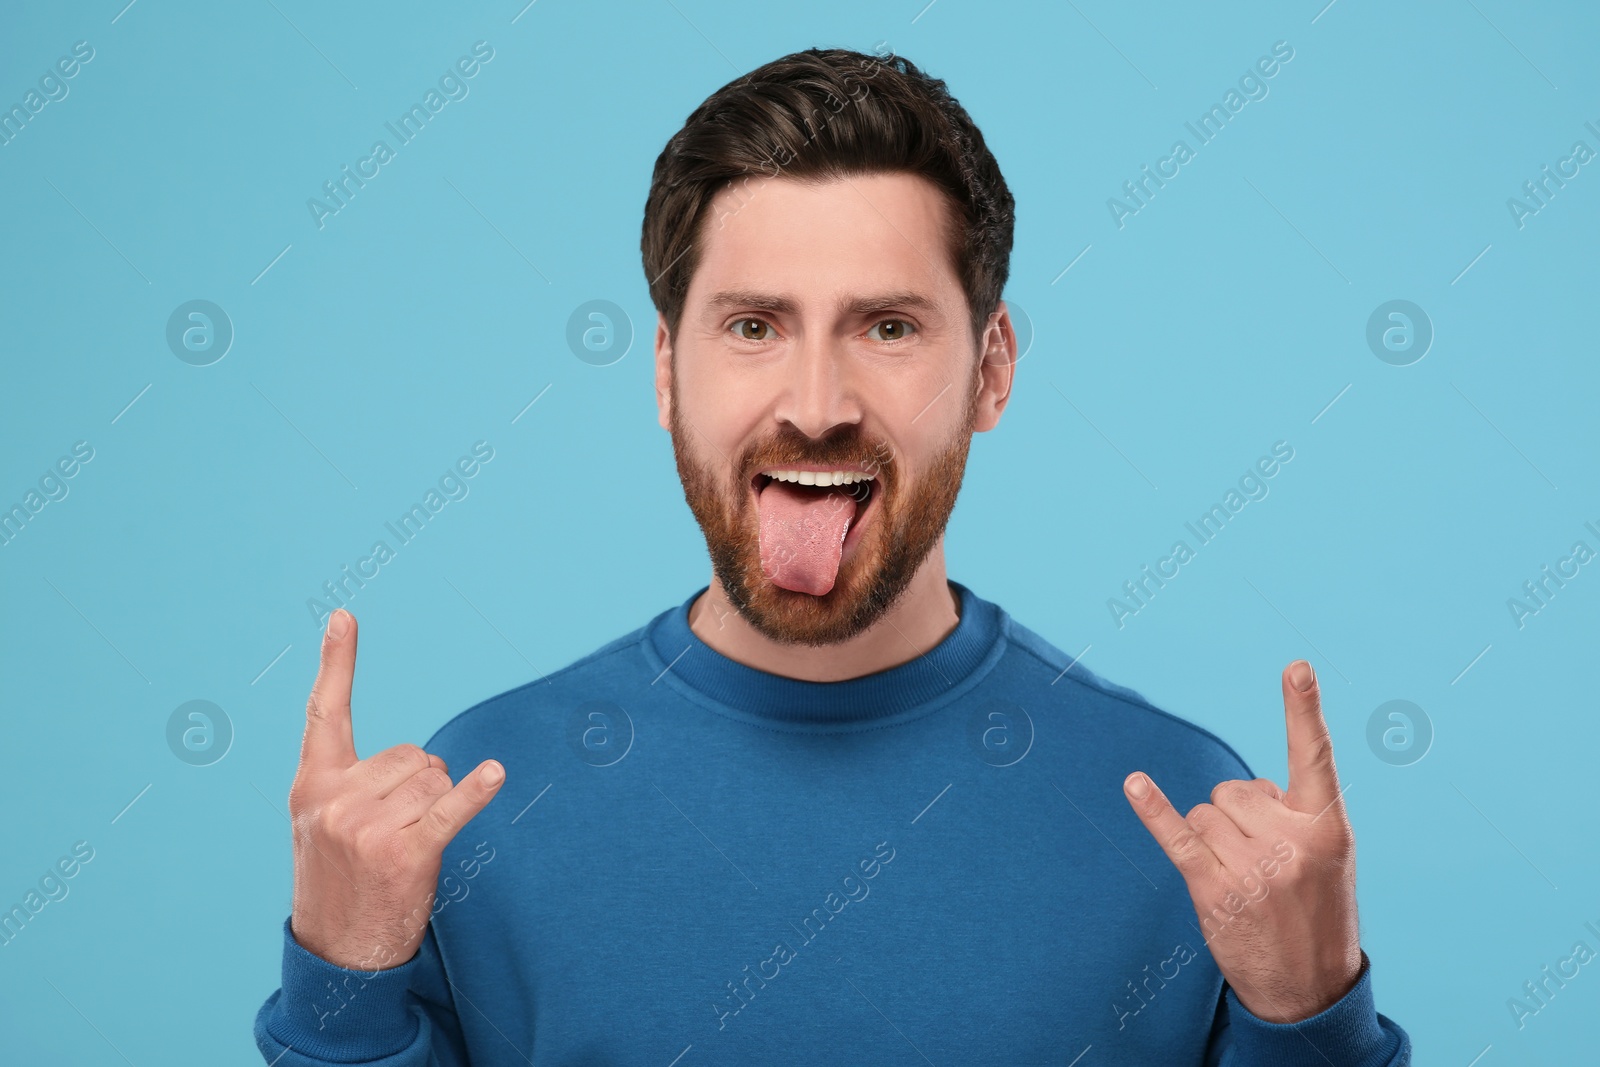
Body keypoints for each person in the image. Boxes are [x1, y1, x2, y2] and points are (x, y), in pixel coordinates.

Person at [255, 46, 1411, 1065]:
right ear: (666, 370)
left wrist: (1313, 1018)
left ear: (991, 368)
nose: (816, 405)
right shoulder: (472, 802)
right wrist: (340, 990)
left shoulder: (1185, 818)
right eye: (754, 326)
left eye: (888, 326)